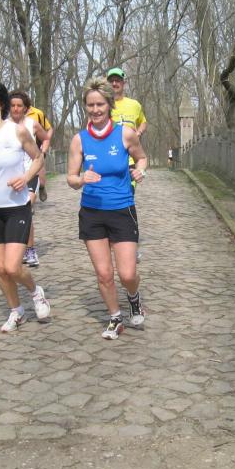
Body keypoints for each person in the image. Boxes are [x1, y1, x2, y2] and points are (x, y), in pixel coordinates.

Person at [0, 79, 51, 332]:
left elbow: (38, 158)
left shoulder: (17, 131)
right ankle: (17, 312)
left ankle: (35, 292)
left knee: (13, 267)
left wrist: (25, 178)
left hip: (16, 207)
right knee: (1, 269)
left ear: (1, 103)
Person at [67, 77, 148, 340]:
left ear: (109, 104)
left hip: (122, 209)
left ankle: (133, 297)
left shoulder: (125, 133)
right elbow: (71, 178)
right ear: (85, 107)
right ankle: (115, 317)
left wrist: (140, 170)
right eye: (90, 105)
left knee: (127, 273)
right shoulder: (79, 140)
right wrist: (81, 179)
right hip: (92, 212)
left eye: (100, 104)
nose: (95, 110)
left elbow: (142, 158)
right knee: (103, 274)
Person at [107, 67, 147, 263]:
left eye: (118, 80)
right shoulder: (103, 105)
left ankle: (131, 245)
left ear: (123, 83)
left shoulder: (134, 105)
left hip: (129, 162)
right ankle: (112, 241)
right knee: (109, 202)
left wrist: (137, 133)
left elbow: (143, 122)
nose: (115, 84)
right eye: (111, 81)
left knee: (127, 200)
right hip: (109, 162)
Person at [9, 90, 51, 267]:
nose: (16, 109)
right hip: (12, 176)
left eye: (19, 106)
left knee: (25, 208)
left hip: (30, 173)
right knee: (16, 213)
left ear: (26, 108)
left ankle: (30, 250)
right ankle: (19, 248)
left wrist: (42, 151)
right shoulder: (3, 126)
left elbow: (46, 137)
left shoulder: (32, 124)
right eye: (12, 105)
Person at [25, 98, 54, 203]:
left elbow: (49, 129)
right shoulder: (11, 114)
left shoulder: (37, 113)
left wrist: (44, 145)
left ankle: (41, 187)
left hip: (37, 148)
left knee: (40, 178)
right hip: (21, 150)